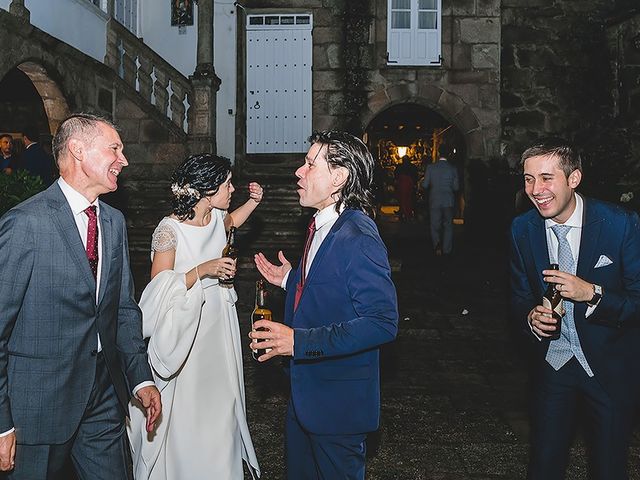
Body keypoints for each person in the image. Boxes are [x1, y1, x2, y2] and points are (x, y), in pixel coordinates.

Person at [0, 113, 161, 479]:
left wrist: (141, 377)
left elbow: (121, 309)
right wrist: (2, 423)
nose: (124, 160)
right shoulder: (25, 223)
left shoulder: (114, 222)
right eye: (114, 149)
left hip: (103, 396)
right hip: (36, 411)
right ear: (77, 150)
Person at [250, 130, 398, 480]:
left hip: (337, 406)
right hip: (306, 396)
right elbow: (333, 287)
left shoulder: (358, 236)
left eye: (309, 164)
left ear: (339, 177)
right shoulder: (323, 225)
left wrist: (297, 342)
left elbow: (381, 322)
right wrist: (291, 280)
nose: (299, 172)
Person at [509, 141, 640, 480]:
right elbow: (520, 295)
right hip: (554, 366)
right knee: (543, 464)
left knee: (609, 467)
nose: (536, 190)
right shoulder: (523, 228)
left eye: (546, 178)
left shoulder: (620, 224)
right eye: (528, 179)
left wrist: (592, 293)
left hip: (608, 368)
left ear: (574, 178)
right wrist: (530, 318)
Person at [128, 154, 261, 479]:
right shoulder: (169, 229)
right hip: (187, 328)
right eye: (227, 184)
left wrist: (254, 202)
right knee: (188, 404)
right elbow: (158, 287)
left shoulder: (217, 217)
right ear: (207, 188)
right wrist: (202, 271)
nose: (232, 189)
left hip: (219, 322)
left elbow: (232, 222)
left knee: (222, 401)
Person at [422, 146, 459, 255]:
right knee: (448, 225)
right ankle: (447, 249)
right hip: (448, 200)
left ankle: (437, 245)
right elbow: (456, 187)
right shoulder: (453, 169)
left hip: (435, 199)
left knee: (434, 224)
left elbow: (425, 184)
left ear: (438, 154)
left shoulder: (431, 168)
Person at [394, 155, 418, 221]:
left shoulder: (400, 167)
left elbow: (396, 174)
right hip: (408, 184)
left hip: (403, 184)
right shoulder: (412, 167)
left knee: (403, 199)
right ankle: (406, 213)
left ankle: (404, 212)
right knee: (408, 199)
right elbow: (415, 175)